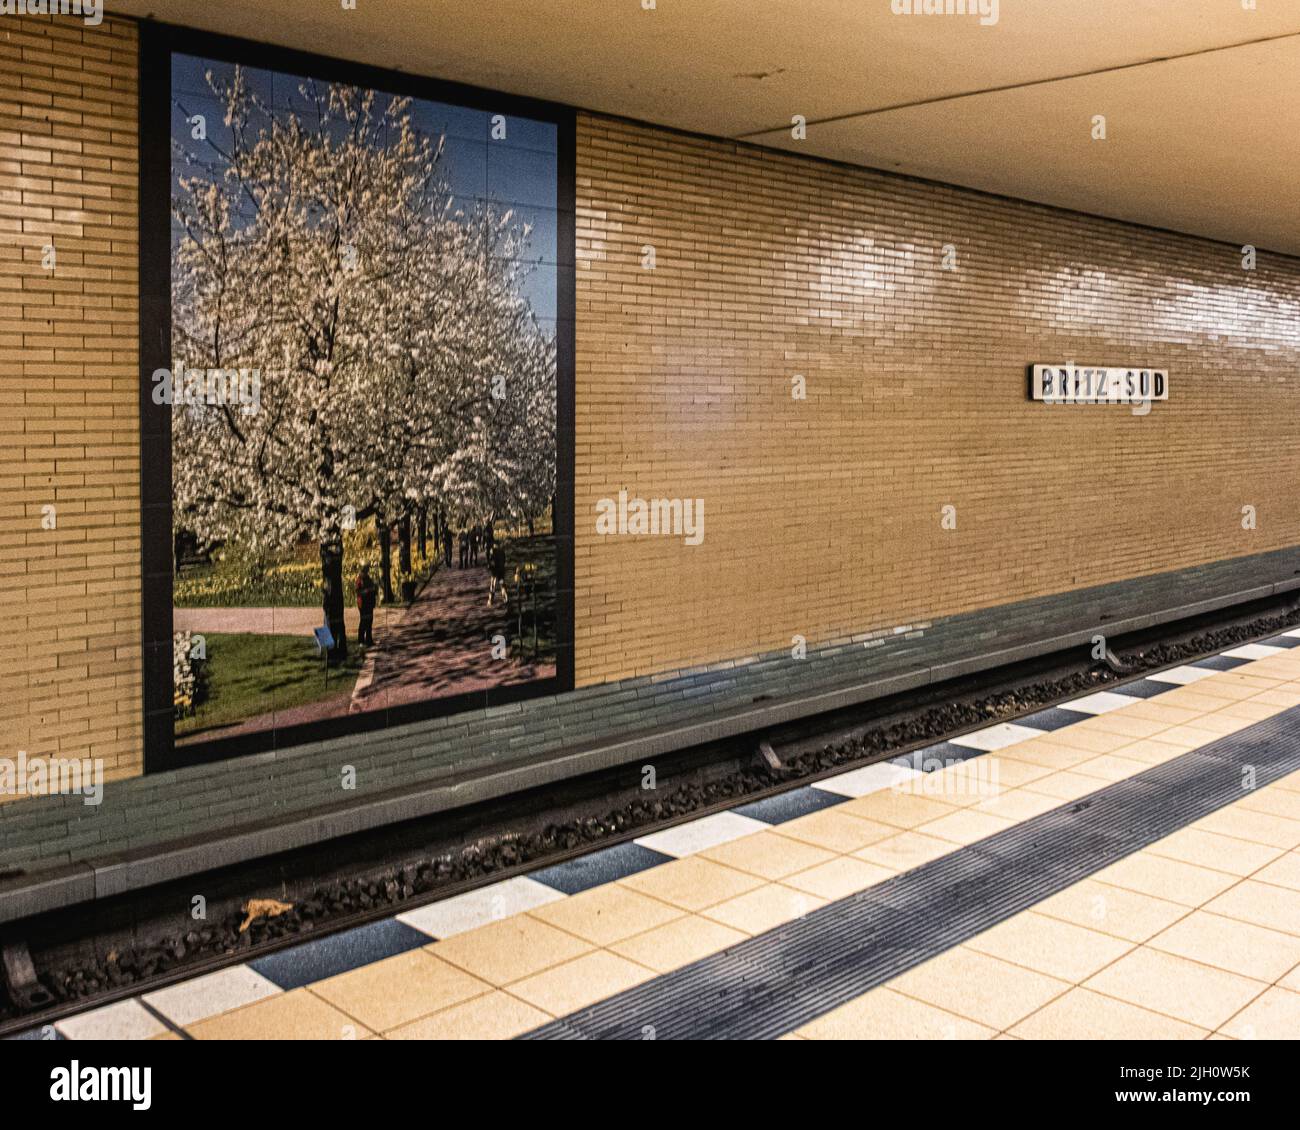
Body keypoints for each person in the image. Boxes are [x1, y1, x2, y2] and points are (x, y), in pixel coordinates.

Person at [355, 564, 378, 646]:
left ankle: (369, 639)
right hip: (363, 603)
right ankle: (361, 640)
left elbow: (373, 590)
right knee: (363, 621)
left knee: (370, 621)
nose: (367, 570)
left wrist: (375, 588)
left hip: (370, 602)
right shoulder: (359, 579)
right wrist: (367, 591)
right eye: (366, 569)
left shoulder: (368, 578)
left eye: (367, 569)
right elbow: (358, 592)